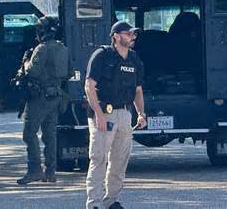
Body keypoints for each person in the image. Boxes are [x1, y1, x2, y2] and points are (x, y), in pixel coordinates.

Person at [84, 21, 147, 209]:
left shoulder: (134, 59)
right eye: (128, 34)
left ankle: (111, 201)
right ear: (116, 36)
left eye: (133, 34)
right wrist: (99, 115)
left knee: (120, 160)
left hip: (124, 114)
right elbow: (89, 86)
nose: (132, 37)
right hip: (104, 113)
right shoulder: (102, 55)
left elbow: (138, 90)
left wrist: (141, 113)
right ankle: (94, 204)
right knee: (99, 159)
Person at [17, 16, 71, 185]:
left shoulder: (41, 49)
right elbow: (69, 72)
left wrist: (26, 61)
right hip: (56, 95)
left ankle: (34, 170)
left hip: (40, 97)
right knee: (50, 135)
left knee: (29, 133)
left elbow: (31, 71)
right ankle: (50, 171)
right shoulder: (63, 48)